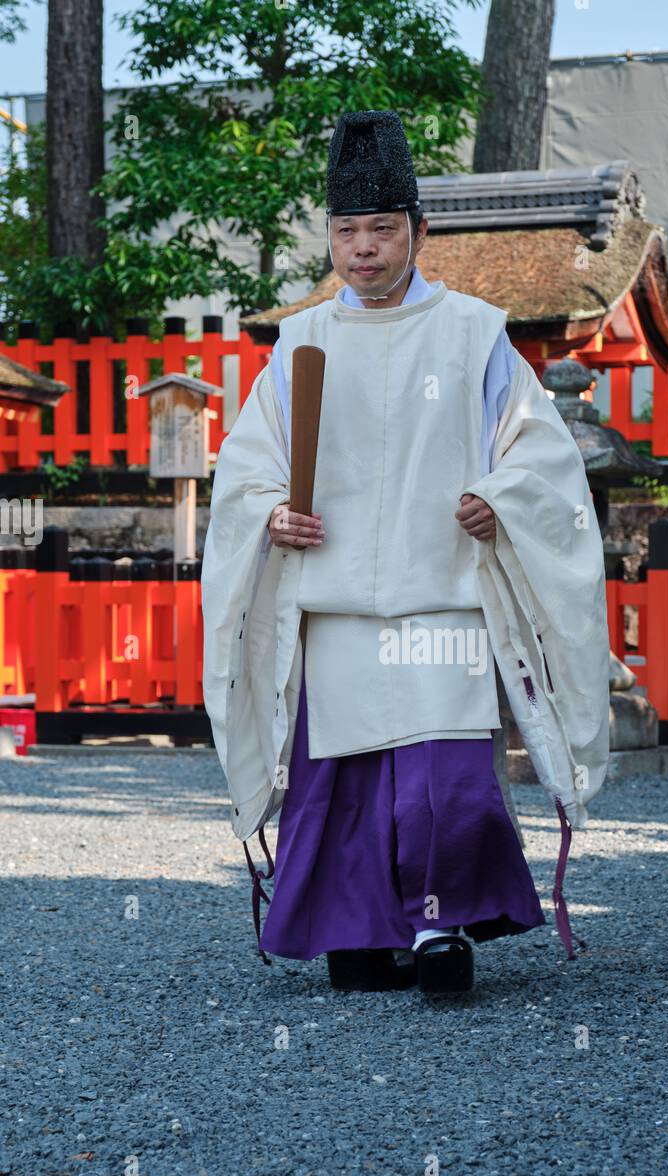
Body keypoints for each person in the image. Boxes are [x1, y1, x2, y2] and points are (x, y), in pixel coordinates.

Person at [201, 110, 610, 996]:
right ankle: (355, 932)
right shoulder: (301, 342)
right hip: (337, 602)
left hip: (442, 596)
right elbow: (247, 468)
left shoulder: (472, 332)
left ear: (420, 232)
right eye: (347, 230)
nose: (363, 249)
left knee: (443, 779)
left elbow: (539, 453)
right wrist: (272, 515)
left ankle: (438, 927)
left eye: (382, 229)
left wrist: (500, 498)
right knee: (341, 781)